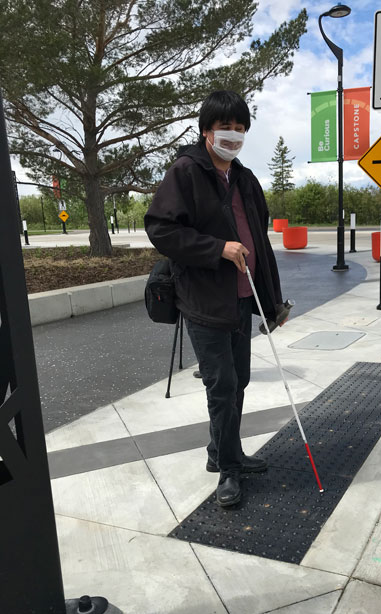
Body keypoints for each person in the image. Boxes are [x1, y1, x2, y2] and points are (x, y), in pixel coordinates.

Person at [145, 90, 284, 507]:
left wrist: (273, 302)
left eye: (241, 129)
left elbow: (259, 240)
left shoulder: (245, 179)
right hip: (204, 299)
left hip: (242, 297)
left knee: (238, 380)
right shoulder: (185, 172)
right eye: (226, 127)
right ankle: (228, 469)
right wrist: (217, 249)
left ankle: (224, 451)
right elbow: (162, 230)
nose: (234, 136)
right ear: (206, 131)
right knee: (221, 384)